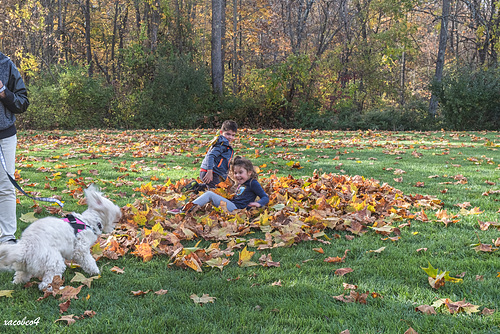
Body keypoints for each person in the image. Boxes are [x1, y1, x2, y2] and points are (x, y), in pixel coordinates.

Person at [170, 156, 269, 214]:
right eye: (235, 173)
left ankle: (183, 210)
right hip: (234, 207)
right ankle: (188, 207)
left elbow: (265, 197)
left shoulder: (253, 183)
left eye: (241, 172)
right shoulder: (242, 183)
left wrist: (258, 203)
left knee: (209, 194)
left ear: (250, 172)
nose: (237, 175)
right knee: (209, 194)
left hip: (237, 210)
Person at [0, 51, 29, 244]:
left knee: (6, 188)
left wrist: (3, 92)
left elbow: (22, 102)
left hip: (5, 137)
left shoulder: (5, 64)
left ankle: (7, 238)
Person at [182, 120, 237, 193]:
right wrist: (209, 171)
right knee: (216, 192)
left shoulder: (224, 144)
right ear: (221, 132)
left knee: (216, 187)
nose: (230, 137)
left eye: (233, 135)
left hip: (215, 173)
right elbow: (210, 156)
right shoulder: (221, 144)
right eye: (228, 134)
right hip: (210, 172)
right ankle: (197, 192)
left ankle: (196, 187)